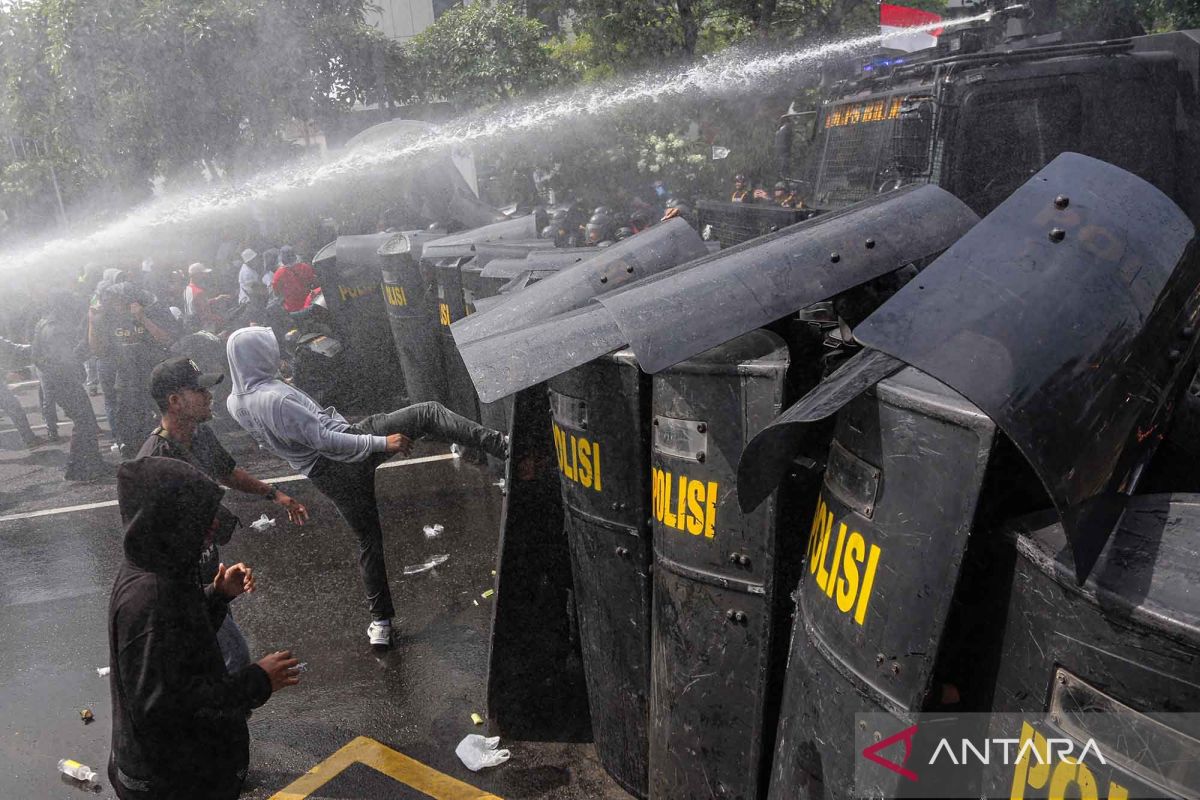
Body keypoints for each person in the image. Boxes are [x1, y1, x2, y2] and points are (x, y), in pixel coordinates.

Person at [225, 326, 507, 648]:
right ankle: (504, 446)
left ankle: (381, 624)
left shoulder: (236, 401)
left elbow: (283, 436)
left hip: (323, 475)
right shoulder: (277, 398)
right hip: (349, 449)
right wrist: (380, 442)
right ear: (258, 356)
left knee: (369, 542)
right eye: (269, 350)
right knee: (428, 412)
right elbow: (326, 439)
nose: (275, 355)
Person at [108, 456, 300, 800]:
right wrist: (255, 681)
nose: (212, 525)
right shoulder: (150, 598)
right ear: (170, 519)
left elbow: (180, 643)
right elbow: (163, 707)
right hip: (174, 784)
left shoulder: (158, 565)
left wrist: (216, 595)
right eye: (200, 515)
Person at [137, 357, 309, 669]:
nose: (209, 395)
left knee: (214, 659)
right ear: (175, 401)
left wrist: (275, 494)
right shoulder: (154, 462)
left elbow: (227, 472)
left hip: (208, 576)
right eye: (199, 390)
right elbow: (145, 544)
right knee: (234, 656)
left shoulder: (199, 436)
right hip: (181, 587)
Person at [2, 293, 110, 479]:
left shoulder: (42, 324)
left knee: (82, 423)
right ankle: (84, 467)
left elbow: (37, 355)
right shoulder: (56, 329)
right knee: (85, 422)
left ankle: (83, 465)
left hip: (57, 381)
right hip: (64, 381)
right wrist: (83, 353)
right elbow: (64, 359)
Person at [90, 280, 178, 456]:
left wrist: (143, 318)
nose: (113, 303)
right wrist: (92, 322)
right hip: (126, 381)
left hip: (153, 376)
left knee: (166, 417)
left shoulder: (152, 312)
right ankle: (133, 454)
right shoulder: (108, 319)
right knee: (129, 423)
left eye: (116, 299)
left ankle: (176, 450)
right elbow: (97, 350)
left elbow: (167, 340)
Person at [271, 246, 318, 313]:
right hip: (310, 304)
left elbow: (276, 293)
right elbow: (314, 282)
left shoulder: (278, 274)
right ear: (295, 256)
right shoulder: (305, 267)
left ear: (282, 259)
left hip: (292, 309)